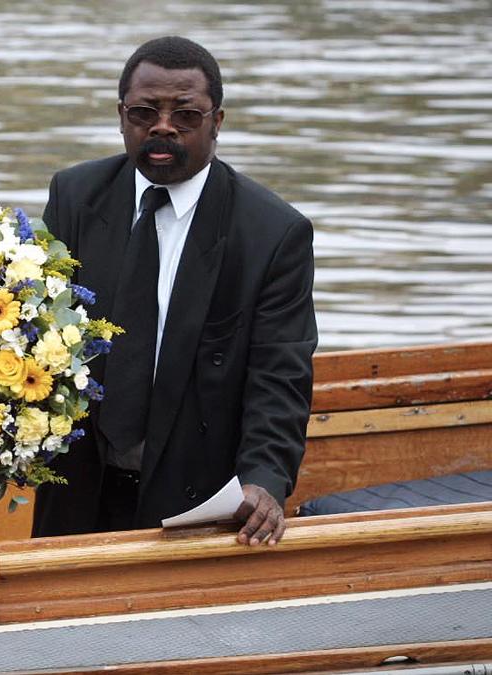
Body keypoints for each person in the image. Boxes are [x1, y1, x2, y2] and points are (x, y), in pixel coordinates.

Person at [32, 36, 317, 546]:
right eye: (145, 111)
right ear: (122, 116)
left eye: (185, 114)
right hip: (79, 486)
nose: (162, 126)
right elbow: (34, 327)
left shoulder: (273, 233)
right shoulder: (74, 195)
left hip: (199, 499)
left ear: (217, 122)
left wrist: (266, 480)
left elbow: (280, 373)